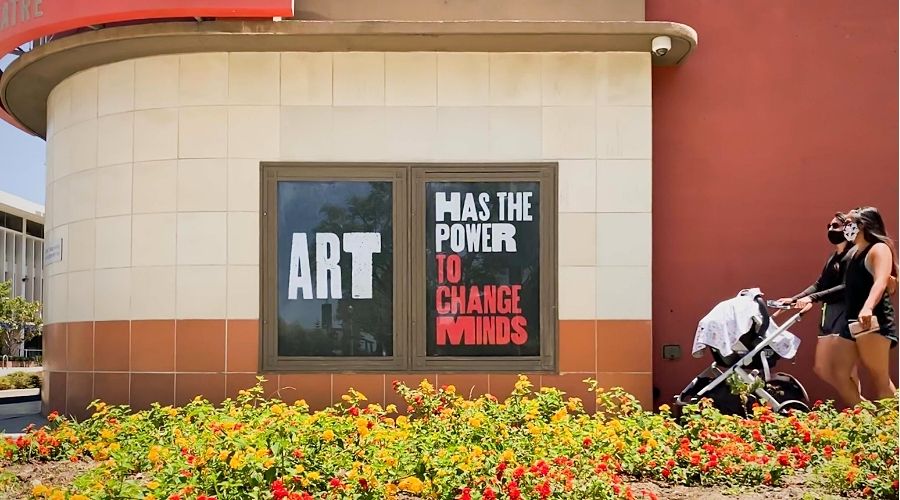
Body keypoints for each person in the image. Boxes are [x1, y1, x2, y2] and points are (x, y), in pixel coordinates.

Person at [777, 213, 860, 406]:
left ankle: (859, 409)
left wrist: (812, 298)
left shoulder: (853, 255)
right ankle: (860, 405)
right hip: (828, 315)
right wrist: (795, 299)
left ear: (848, 229)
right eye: (829, 226)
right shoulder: (833, 257)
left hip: (846, 315)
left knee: (848, 370)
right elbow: (820, 284)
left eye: (836, 226)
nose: (831, 230)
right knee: (822, 368)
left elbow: (846, 287)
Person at [839, 206, 898, 402]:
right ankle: (867, 418)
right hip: (853, 322)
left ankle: (892, 425)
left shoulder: (878, 249)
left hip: (872, 321)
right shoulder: (854, 252)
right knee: (841, 372)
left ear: (862, 225)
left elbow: (881, 281)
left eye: (848, 223)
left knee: (880, 380)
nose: (845, 228)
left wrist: (868, 306)